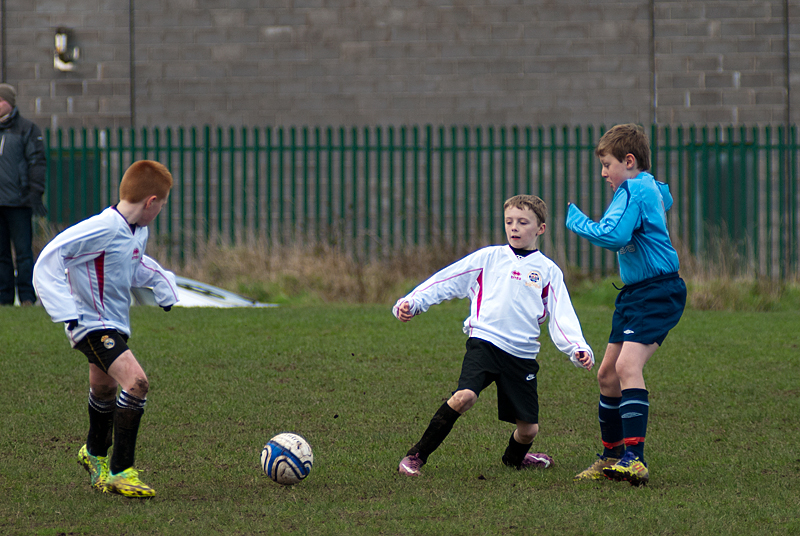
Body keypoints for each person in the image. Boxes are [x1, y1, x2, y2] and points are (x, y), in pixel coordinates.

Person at [393, 194, 595, 477]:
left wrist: (577, 348)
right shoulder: (488, 258)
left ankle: (515, 460)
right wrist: (413, 302)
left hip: (522, 355)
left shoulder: (548, 271)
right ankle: (416, 456)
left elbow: (562, 315)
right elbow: (446, 280)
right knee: (464, 397)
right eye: (509, 221)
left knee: (528, 430)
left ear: (540, 229)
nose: (514, 227)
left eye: (523, 222)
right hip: (484, 343)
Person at [33, 160, 178, 498]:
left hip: (114, 323)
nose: (160, 210)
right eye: (163, 205)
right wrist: (67, 311)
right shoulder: (102, 227)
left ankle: (94, 454)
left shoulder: (136, 231)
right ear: (151, 202)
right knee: (137, 383)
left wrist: (162, 286)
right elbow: (50, 259)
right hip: (91, 324)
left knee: (104, 390)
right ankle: (121, 470)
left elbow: (134, 263)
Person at [566, 123, 686, 486]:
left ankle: (635, 458)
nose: (604, 174)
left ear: (629, 161)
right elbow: (661, 199)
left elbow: (613, 234)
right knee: (607, 374)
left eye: (607, 165)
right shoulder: (641, 187)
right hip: (635, 293)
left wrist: (577, 221)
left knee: (627, 365)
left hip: (657, 291)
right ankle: (612, 456)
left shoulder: (634, 187)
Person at [0, 83, 47, 306]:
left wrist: (35, 193)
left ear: (10, 103)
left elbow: (37, 163)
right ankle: (4, 299)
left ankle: (27, 297)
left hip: (19, 203)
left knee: (23, 253)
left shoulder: (26, 129)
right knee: (1, 256)